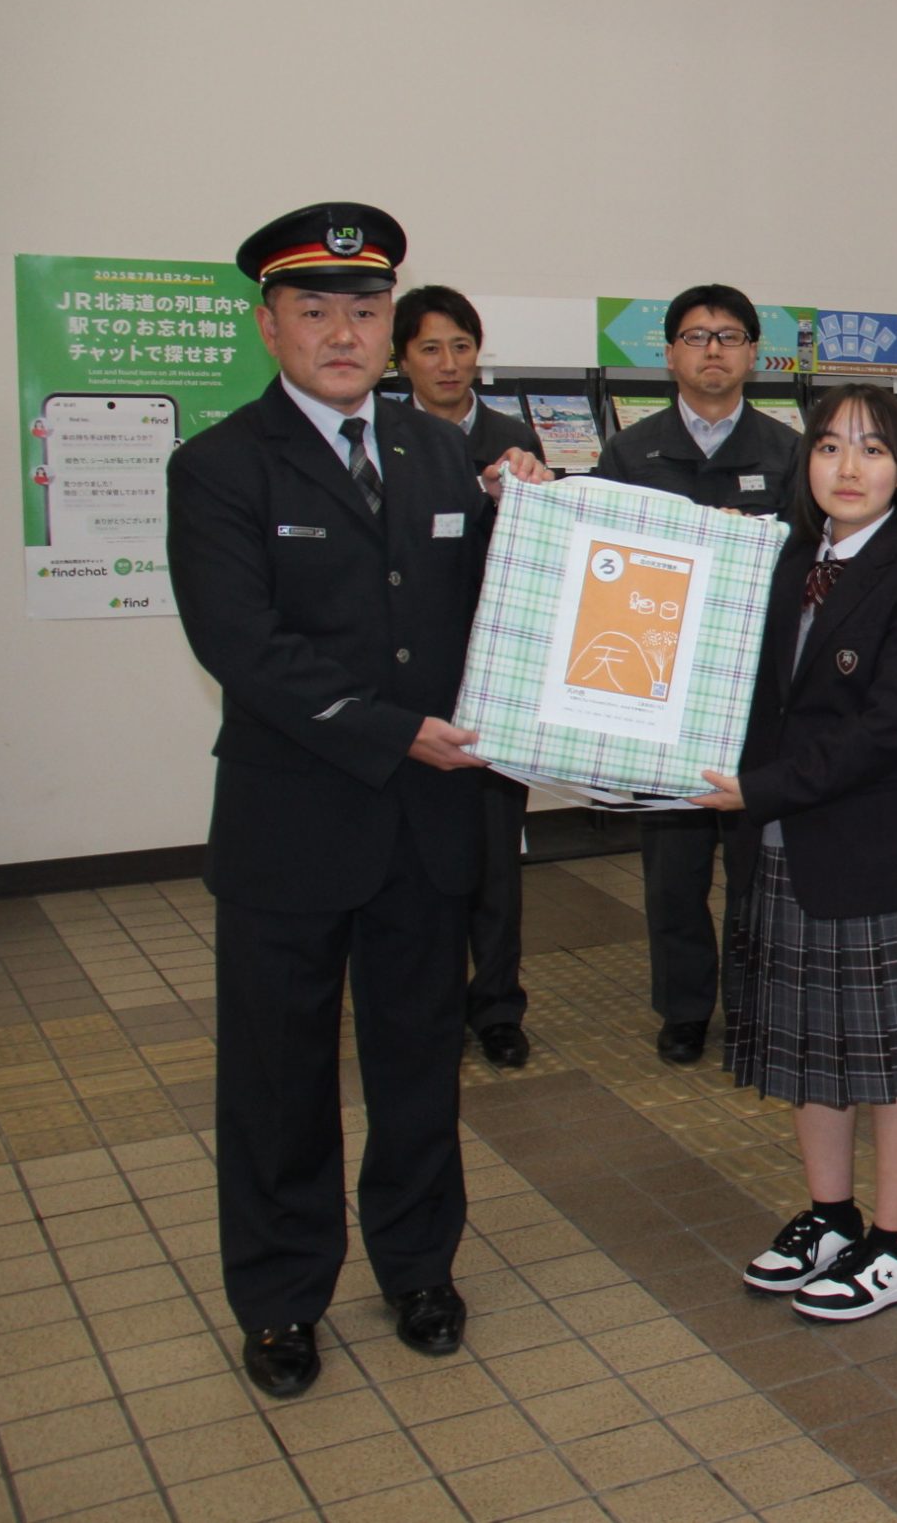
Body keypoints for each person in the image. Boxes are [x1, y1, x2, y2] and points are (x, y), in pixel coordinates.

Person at [165, 203, 550, 1399]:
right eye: (316, 310)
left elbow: (504, 610)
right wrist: (397, 733)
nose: (344, 333)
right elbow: (244, 648)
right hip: (292, 829)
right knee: (278, 1080)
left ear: (391, 326)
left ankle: (418, 1268)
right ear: (268, 324)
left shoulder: (442, 456)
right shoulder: (219, 467)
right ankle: (281, 1299)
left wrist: (538, 518)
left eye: (366, 311)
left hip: (424, 833)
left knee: (418, 1064)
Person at [694, 384, 897, 1321]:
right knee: (808, 1050)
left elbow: (887, 729)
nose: (847, 467)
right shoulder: (778, 563)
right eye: (827, 446)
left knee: (894, 1062)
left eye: (872, 448)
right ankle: (830, 1215)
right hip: (780, 847)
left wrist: (759, 788)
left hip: (878, 853)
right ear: (804, 461)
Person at [592, 285, 803, 1066]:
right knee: (673, 869)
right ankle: (684, 1007)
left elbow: (806, 569)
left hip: (756, 692)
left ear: (753, 353)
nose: (713, 350)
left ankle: (752, 1003)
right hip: (662, 692)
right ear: (669, 353)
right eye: (695, 336)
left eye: (729, 335)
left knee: (754, 862)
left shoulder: (789, 452)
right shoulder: (630, 452)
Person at [394, 284, 545, 1071]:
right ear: (403, 360)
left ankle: (497, 1006)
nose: (448, 362)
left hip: (500, 676)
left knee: (494, 855)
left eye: (460, 345)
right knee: (418, 856)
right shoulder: (385, 439)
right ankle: (429, 1002)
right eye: (429, 348)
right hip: (417, 678)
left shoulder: (513, 437)